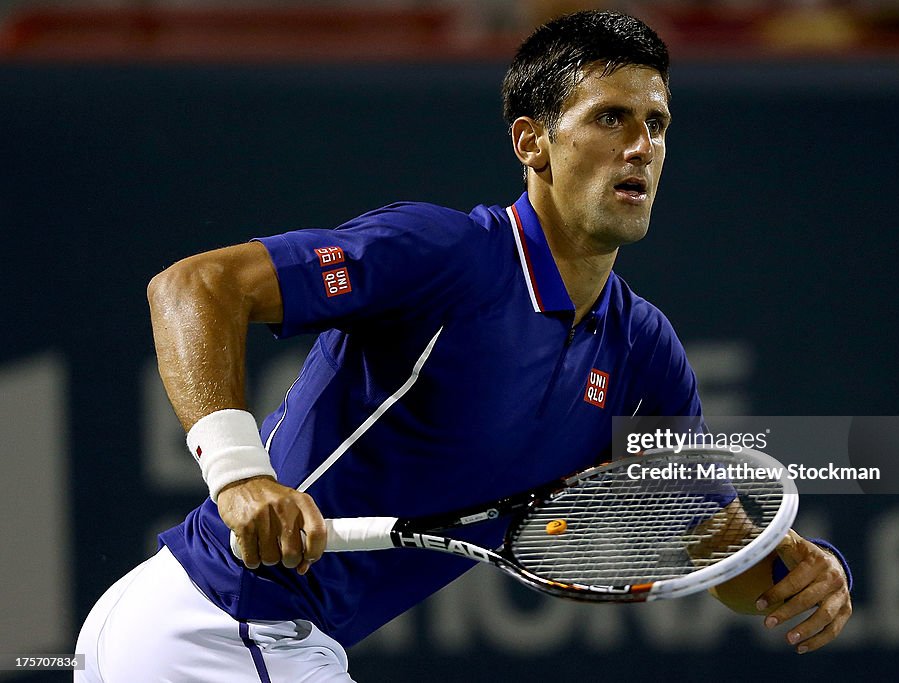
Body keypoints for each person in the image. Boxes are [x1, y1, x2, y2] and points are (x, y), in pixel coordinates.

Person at [75, 10, 852, 681]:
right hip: (216, 628)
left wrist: (794, 568)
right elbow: (192, 286)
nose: (642, 146)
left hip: (222, 636)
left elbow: (708, 540)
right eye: (610, 118)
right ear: (533, 143)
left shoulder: (643, 352)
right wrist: (240, 474)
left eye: (656, 123)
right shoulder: (443, 253)